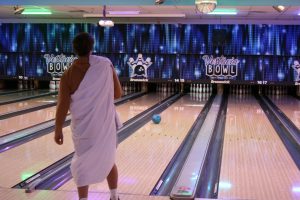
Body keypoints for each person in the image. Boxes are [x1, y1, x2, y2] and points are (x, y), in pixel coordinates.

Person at [54, 32, 123, 200]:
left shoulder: (67, 75)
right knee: (108, 159)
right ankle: (114, 196)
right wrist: (100, 99)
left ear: (74, 49)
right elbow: (118, 93)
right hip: (105, 125)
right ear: (92, 48)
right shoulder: (106, 64)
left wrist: (57, 129)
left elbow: (62, 105)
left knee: (82, 162)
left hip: (83, 129)